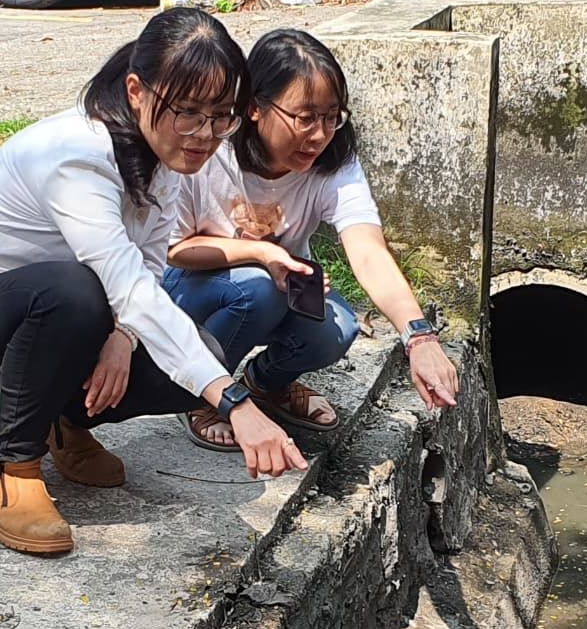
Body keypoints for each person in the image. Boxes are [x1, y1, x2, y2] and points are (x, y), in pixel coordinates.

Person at [0, 9, 307, 557]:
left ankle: (62, 422)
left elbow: (152, 268)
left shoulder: (166, 158)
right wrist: (235, 403)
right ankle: (10, 468)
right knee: (76, 293)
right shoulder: (77, 155)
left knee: (189, 354)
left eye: (221, 116)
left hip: (51, 317)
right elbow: (123, 285)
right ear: (137, 91)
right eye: (187, 112)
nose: (205, 134)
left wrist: (123, 337)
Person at [160, 28, 460, 450]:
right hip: (192, 285)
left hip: (282, 286)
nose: (320, 136)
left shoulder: (333, 164)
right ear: (255, 109)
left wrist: (419, 338)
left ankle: (264, 384)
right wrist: (261, 252)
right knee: (257, 289)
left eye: (331, 117)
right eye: (305, 117)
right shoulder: (209, 152)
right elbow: (175, 251)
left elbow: (368, 251)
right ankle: (200, 391)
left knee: (336, 328)